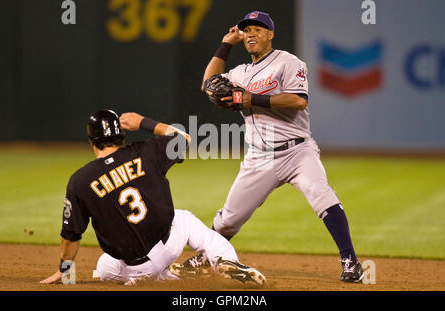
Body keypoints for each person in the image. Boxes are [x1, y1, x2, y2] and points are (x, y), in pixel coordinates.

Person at [174, 11, 364, 283]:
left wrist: (252, 98)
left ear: (270, 34)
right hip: (259, 157)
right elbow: (208, 84)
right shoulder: (239, 73)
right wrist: (226, 44)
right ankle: (206, 257)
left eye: (258, 29)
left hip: (297, 151)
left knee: (321, 195)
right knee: (228, 220)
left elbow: (299, 101)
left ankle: (350, 261)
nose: (251, 34)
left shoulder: (287, 62)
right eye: (247, 30)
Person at [39, 110, 265, 286]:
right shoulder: (145, 151)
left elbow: (71, 236)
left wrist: (64, 270)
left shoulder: (79, 181)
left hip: (132, 266)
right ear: (121, 135)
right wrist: (143, 122)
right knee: (183, 218)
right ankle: (226, 260)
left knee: (104, 266)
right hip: (166, 248)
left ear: (91, 141)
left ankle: (149, 278)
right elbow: (183, 139)